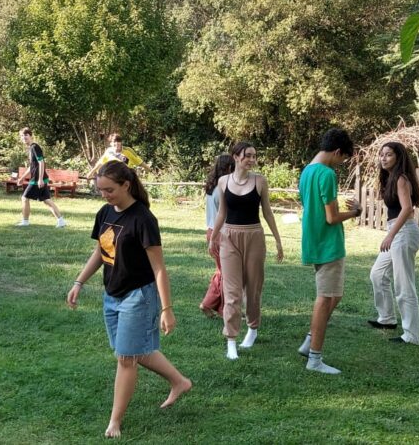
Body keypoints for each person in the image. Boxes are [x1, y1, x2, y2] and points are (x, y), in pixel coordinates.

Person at [67, 160, 191, 439]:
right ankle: (179, 382)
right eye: (100, 190)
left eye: (109, 190)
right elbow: (101, 251)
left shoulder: (143, 219)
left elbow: (159, 268)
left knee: (126, 358)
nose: (104, 195)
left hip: (138, 296)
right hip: (112, 294)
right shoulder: (105, 212)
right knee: (132, 350)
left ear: (126, 185)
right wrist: (79, 282)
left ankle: (115, 421)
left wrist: (167, 308)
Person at [209, 142, 284, 360]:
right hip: (229, 238)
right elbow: (221, 213)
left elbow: (268, 212)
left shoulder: (260, 181)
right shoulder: (223, 181)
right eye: (248, 155)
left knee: (253, 288)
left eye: (254, 156)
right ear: (235, 156)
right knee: (231, 292)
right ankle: (231, 340)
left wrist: (278, 240)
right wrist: (213, 237)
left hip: (254, 237)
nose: (252, 160)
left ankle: (252, 328)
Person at [297, 128, 361, 375]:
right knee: (325, 299)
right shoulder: (326, 173)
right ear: (337, 152)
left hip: (313, 240)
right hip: (328, 244)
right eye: (343, 158)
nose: (341, 163)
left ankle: (309, 341)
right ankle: (314, 358)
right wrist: (355, 212)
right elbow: (331, 217)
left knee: (334, 295)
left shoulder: (307, 171)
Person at [368, 142, 419, 345]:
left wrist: (390, 235)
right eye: (381, 154)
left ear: (398, 158)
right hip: (398, 232)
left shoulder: (401, 178)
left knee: (404, 284)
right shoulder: (392, 178)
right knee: (377, 274)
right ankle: (387, 319)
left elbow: (407, 209)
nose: (383, 158)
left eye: (388, 155)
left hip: (404, 233)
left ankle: (412, 335)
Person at [199, 154, 235, 318]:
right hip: (221, 232)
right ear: (229, 168)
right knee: (227, 273)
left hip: (211, 231)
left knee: (223, 271)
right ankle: (218, 307)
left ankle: (215, 306)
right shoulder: (224, 188)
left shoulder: (211, 186)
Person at [15, 127, 66, 228]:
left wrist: (40, 179)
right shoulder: (31, 148)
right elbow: (32, 166)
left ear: (30, 136)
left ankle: (25, 221)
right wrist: (22, 178)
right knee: (46, 200)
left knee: (25, 198)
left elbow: (41, 162)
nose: (24, 137)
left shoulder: (35, 147)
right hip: (39, 178)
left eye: (26, 135)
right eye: (22, 136)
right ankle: (61, 221)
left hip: (37, 179)